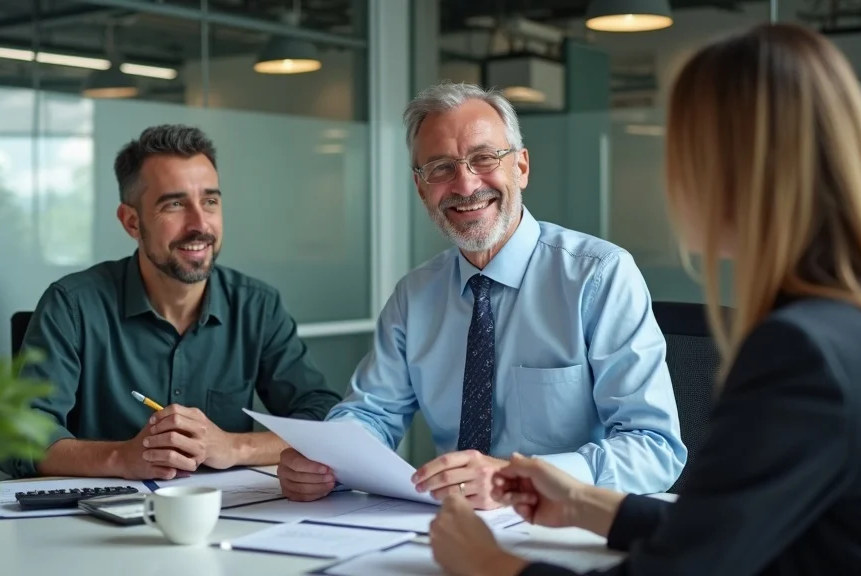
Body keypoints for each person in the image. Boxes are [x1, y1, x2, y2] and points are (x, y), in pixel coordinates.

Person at [428, 22, 861, 576]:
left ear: (732, 170)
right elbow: (737, 530)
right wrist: (585, 503)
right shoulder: (842, 326)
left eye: (680, 148)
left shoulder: (799, 352)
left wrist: (491, 566)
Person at [277, 82, 686, 508]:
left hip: (569, 527)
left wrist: (520, 480)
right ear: (421, 188)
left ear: (521, 168)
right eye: (440, 168)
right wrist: (323, 462)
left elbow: (654, 448)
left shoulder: (598, 277)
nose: (465, 184)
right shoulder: (414, 296)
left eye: (484, 158)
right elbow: (369, 414)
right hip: (448, 526)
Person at [0, 124, 342, 480]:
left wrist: (233, 447)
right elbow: (19, 438)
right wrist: (123, 457)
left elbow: (324, 417)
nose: (200, 224)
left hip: (228, 520)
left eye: (209, 201)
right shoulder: (72, 305)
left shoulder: (257, 307)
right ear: (132, 221)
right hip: (99, 526)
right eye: (174, 204)